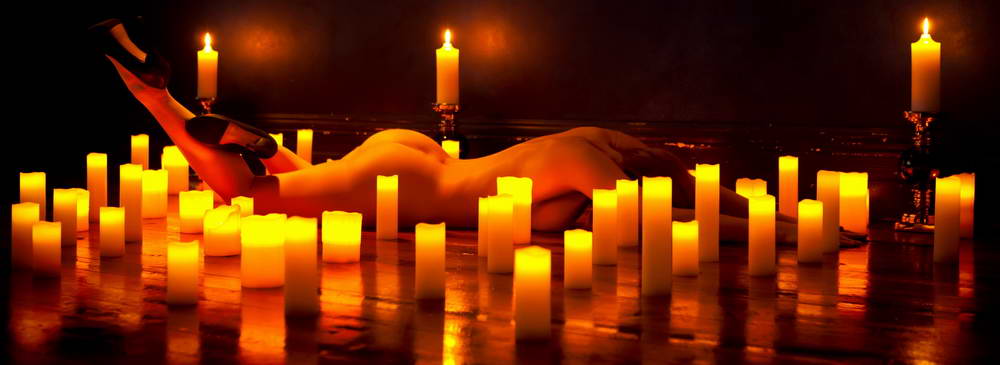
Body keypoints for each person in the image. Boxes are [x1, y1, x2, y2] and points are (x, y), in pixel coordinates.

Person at [91, 19, 864, 246]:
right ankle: (167, 103)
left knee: (276, 187)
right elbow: (685, 204)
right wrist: (794, 224)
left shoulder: (588, 151)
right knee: (262, 195)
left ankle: (167, 98)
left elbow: (681, 188)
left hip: (417, 168)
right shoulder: (589, 158)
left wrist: (787, 221)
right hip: (426, 176)